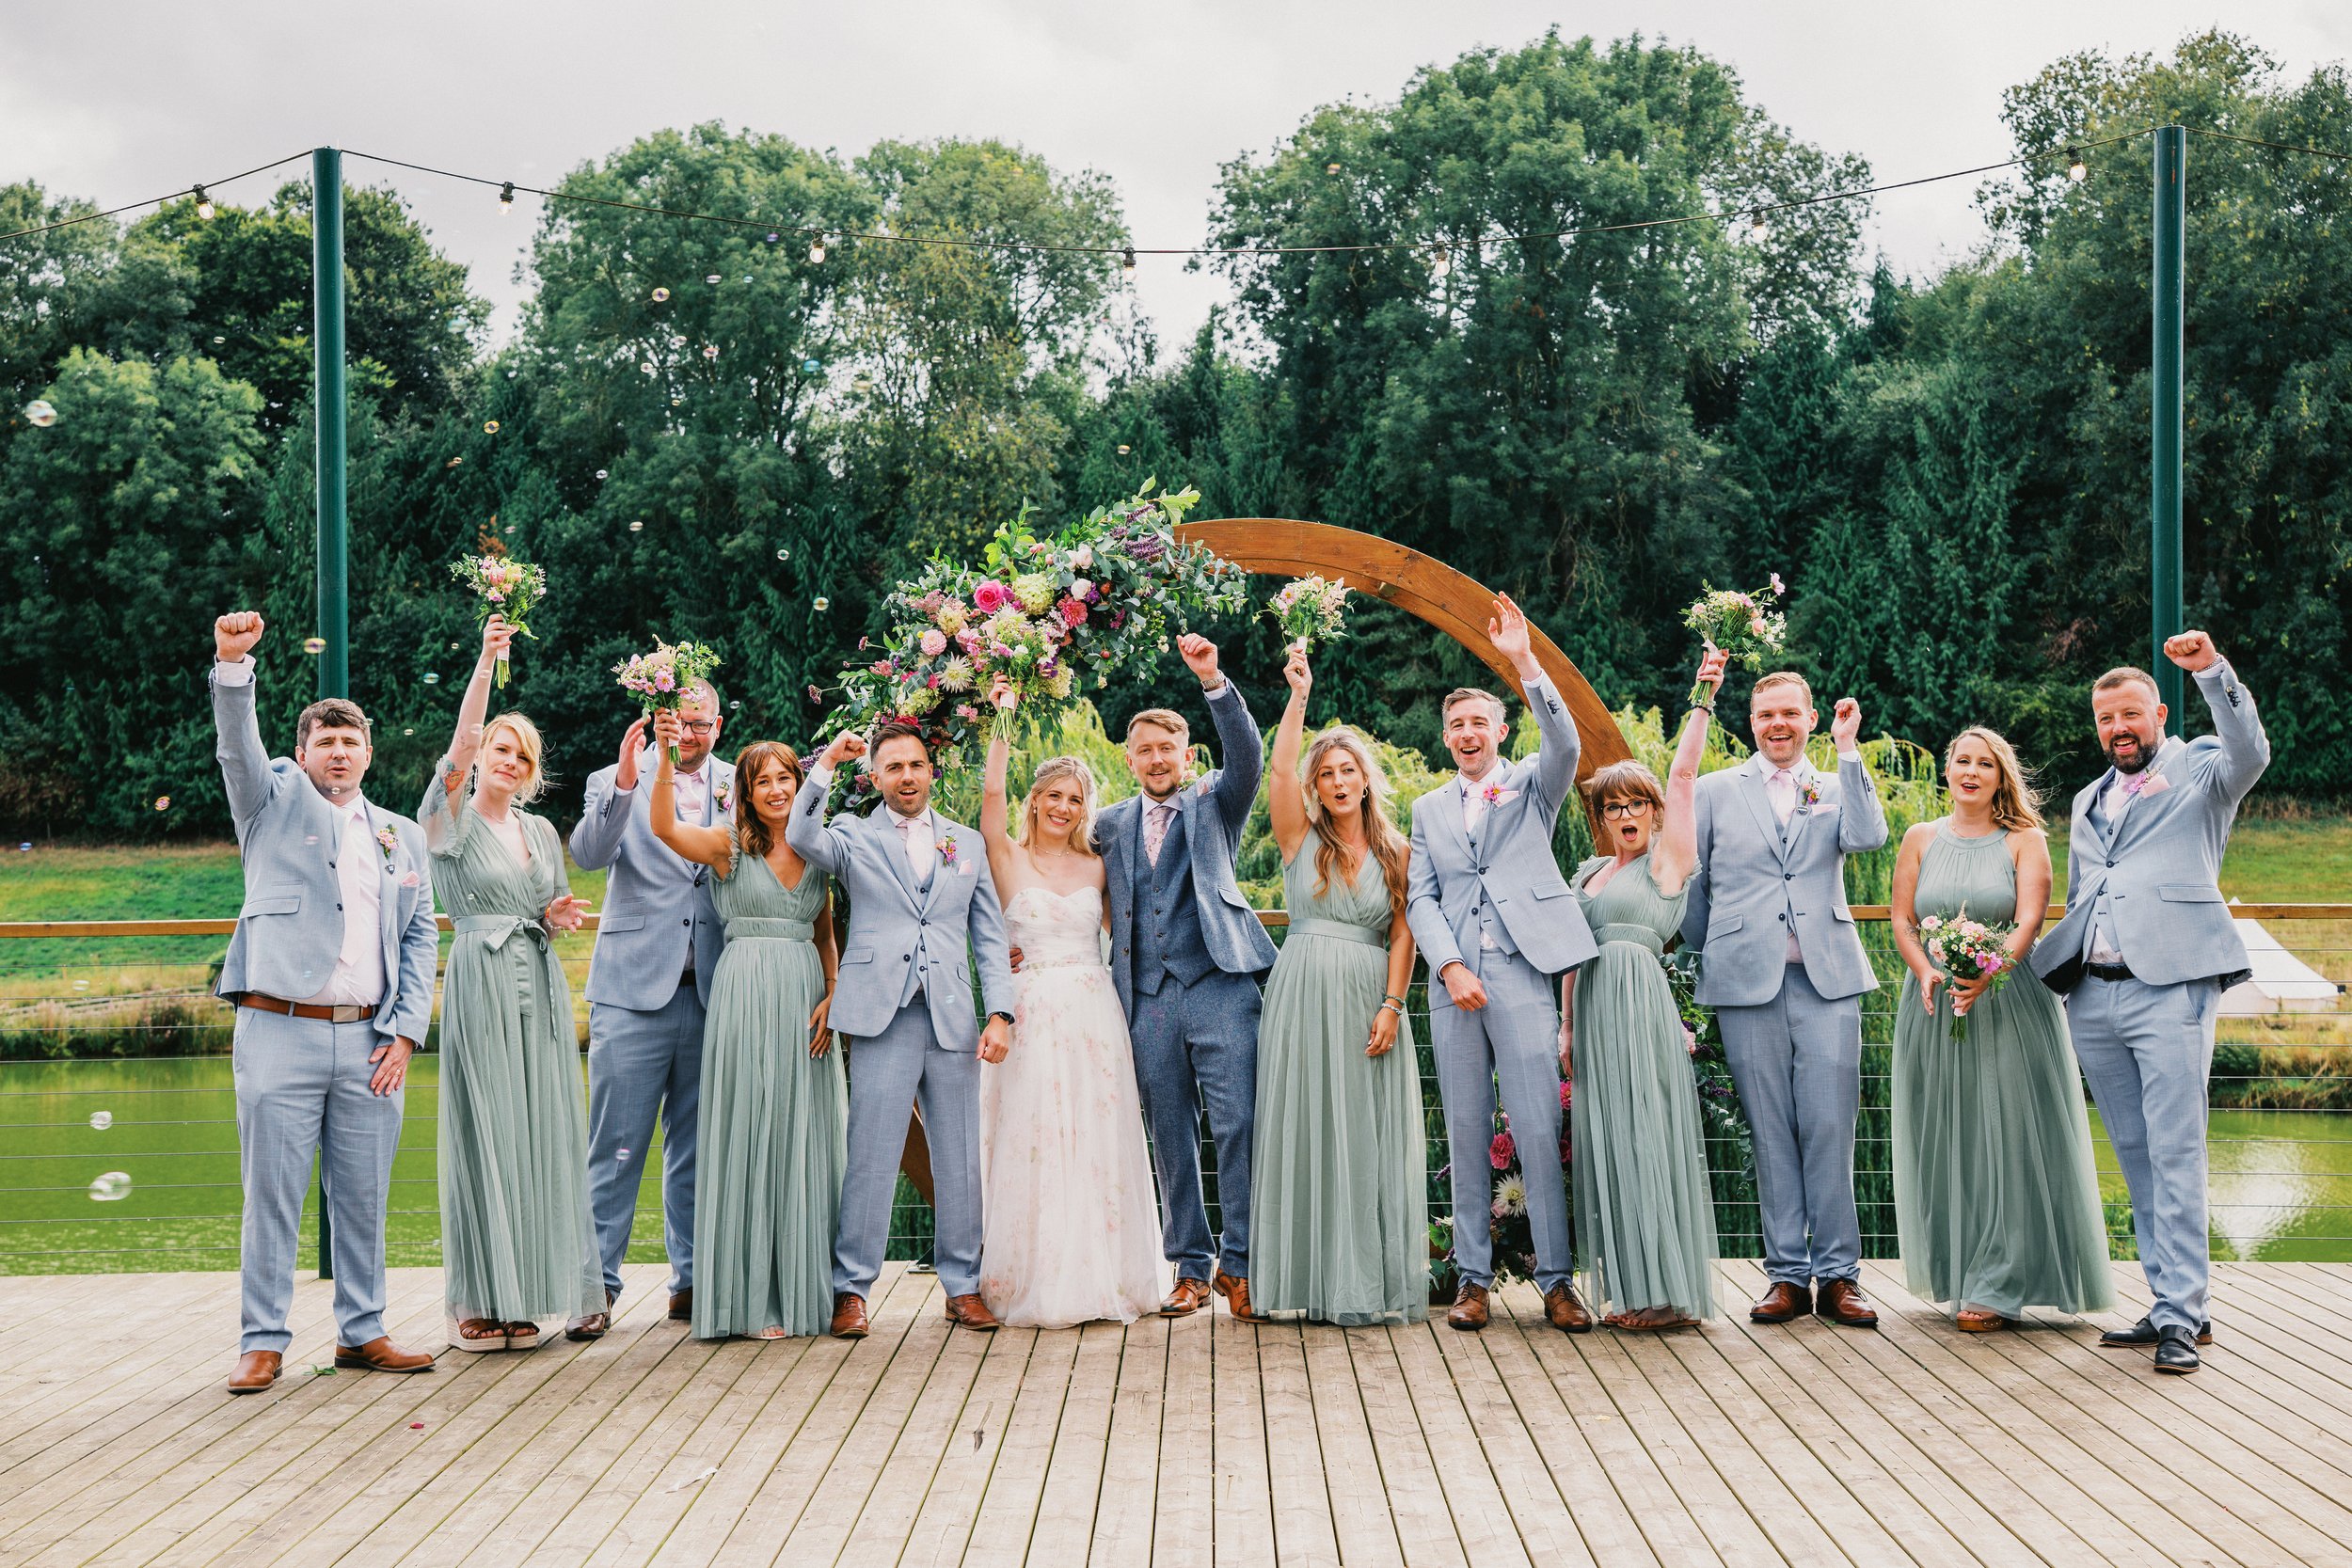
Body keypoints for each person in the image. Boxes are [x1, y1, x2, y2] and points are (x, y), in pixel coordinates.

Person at [209, 610, 438, 1394]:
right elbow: (237, 747)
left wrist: (405, 1033)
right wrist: (233, 666)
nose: (339, 751)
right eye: (325, 740)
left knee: (365, 1196)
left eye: (351, 740)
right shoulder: (267, 805)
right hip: (279, 1029)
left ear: (369, 753)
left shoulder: (402, 835)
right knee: (272, 1195)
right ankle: (262, 1339)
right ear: (302, 753)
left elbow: (418, 938)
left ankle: (363, 1330)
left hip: (372, 1040)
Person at [2030, 632, 2268, 1375]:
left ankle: (2183, 1314)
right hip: (2094, 998)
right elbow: (2086, 891)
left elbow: (2251, 752)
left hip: (2172, 988)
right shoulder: (2086, 799)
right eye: (2106, 718)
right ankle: (2170, 1300)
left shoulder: (2201, 769)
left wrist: (2212, 673)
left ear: (2159, 713)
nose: (2119, 728)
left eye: (2131, 713)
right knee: (2135, 1156)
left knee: (2176, 1151)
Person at [1406, 594, 1596, 1335]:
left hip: (1522, 971)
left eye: (1478, 722)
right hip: (1454, 985)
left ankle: (1556, 1280)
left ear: (1500, 730)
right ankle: (1473, 1280)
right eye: (1456, 724)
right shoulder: (1427, 809)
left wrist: (1524, 661)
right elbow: (1420, 897)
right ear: (1445, 735)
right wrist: (1450, 965)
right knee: (1464, 1132)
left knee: (1539, 1128)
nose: (1466, 733)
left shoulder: (1532, 786)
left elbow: (1568, 745)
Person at [791, 719, 1016, 1338]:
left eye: (915, 764)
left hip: (951, 1016)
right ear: (876, 777)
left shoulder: (965, 843)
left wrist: (1000, 1013)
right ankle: (852, 1290)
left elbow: (989, 936)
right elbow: (800, 832)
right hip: (880, 1016)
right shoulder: (851, 835)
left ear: (930, 770)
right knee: (872, 1153)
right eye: (893, 767)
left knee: (960, 1157)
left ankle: (962, 1286)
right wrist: (826, 764)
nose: (907, 776)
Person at [1889, 727, 2113, 1335]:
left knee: (2008, 1135)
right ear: (1948, 770)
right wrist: (1925, 971)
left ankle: (2001, 1281)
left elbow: (2028, 921)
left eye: (1984, 764)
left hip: (2010, 1002)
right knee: (1951, 1134)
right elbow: (1902, 919)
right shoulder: (1919, 837)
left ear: (2000, 776)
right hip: (1934, 1003)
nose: (1971, 771)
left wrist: (1986, 975)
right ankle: (1964, 1270)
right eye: (1962, 760)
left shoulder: (2025, 839)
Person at [1684, 672, 1889, 1328]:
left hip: (1827, 980)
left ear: (1810, 719)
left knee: (1830, 1127)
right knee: (1770, 1130)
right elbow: (1693, 884)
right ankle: (1787, 1276)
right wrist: (1720, 949)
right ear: (1751, 721)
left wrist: (1849, 751)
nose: (1778, 724)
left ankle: (1840, 1275)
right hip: (1746, 983)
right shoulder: (1714, 791)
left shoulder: (1834, 784)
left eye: (1790, 713)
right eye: (1766, 713)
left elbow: (1869, 837)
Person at [422, 618, 602, 1351]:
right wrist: (485, 661)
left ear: (530, 770)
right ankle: (474, 1299)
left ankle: (522, 1293)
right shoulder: (449, 821)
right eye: (501, 747)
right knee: (484, 1130)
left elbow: (545, 908)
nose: (509, 759)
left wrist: (553, 916)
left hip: (538, 981)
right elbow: (462, 739)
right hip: (482, 977)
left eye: (522, 754)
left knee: (536, 1131)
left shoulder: (540, 832)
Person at [1092, 633, 1278, 1322]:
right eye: (1144, 750)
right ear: (1130, 759)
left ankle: (1243, 1263)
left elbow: (1249, 756)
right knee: (1169, 1132)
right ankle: (1191, 1267)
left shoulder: (1215, 804)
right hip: (1146, 997)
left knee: (1239, 1123)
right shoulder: (1107, 825)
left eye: (1167, 748)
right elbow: (1059, 875)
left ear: (1187, 755)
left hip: (1221, 984)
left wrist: (1214, 682)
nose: (1156, 759)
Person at [643, 710, 844, 1340]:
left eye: (786, 778)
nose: (777, 790)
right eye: (764, 781)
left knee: (802, 1132)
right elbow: (663, 826)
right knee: (750, 1127)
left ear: (800, 785)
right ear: (747, 793)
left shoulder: (817, 848)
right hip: (745, 995)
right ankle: (750, 1301)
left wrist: (834, 992)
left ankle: (803, 1290)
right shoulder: (727, 845)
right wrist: (666, 754)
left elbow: (824, 933)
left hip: (805, 999)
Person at [973, 680, 1166, 1326]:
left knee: (1095, 1137)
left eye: (1075, 799)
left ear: (1086, 809)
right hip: (1028, 1013)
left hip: (1091, 1012)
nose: (1063, 806)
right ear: (1034, 800)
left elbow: (1130, 933)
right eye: (1053, 795)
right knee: (1032, 1140)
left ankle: (1101, 1274)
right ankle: (1032, 1276)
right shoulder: (1006, 856)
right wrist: (1003, 716)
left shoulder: (1097, 866)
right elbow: (990, 797)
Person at [1251, 645, 1426, 1325]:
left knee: (1362, 1132)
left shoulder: (1399, 850)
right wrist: (1298, 697)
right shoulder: (1299, 837)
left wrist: (1393, 1005)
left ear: (1365, 779)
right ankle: (1307, 1277)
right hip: (1300, 995)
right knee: (1305, 1126)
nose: (1337, 780)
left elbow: (1404, 934)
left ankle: (1362, 1280)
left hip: (1367, 999)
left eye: (1347, 769)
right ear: (1317, 788)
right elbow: (1277, 771)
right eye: (1326, 773)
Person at [1560, 648, 1727, 1331]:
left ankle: (1665, 1294)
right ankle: (1633, 1288)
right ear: (1601, 817)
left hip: (1639, 1004)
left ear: (1654, 812)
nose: (1626, 814)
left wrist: (1703, 696)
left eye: (1637, 804)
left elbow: (1684, 776)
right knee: (1609, 1141)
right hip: (1593, 1011)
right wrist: (1567, 1026)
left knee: (1647, 1134)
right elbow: (1570, 954)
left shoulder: (1667, 863)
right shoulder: (1588, 872)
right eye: (1614, 806)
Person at [566, 684, 736, 1337]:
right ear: (659, 721)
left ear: (717, 725)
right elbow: (588, 855)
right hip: (632, 990)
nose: (688, 734)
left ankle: (690, 1283)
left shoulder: (739, 781)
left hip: (714, 990)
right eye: (678, 722)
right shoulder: (615, 777)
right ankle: (595, 1288)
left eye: (700, 723)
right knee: (615, 1147)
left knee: (697, 1148)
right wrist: (626, 778)